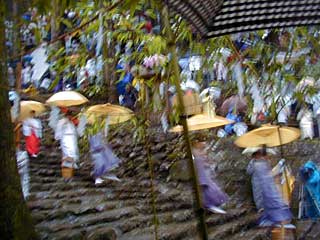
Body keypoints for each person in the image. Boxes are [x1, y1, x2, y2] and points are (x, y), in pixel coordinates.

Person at [246, 147, 294, 228]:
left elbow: (268, 173)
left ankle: (272, 219)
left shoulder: (263, 162)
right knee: (261, 200)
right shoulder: (255, 163)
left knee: (268, 200)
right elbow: (249, 172)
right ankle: (266, 218)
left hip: (265, 184)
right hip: (258, 184)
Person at [192, 142, 228, 214]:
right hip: (204, 179)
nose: (205, 152)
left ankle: (215, 205)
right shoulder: (198, 159)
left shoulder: (201, 158)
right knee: (209, 192)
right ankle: (210, 206)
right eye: (203, 149)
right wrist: (202, 181)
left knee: (215, 191)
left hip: (207, 178)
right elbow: (200, 171)